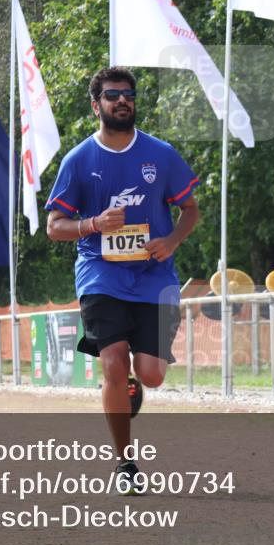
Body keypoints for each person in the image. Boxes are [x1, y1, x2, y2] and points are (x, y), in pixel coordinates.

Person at [45, 67, 200, 494]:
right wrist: (93, 224)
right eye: (112, 95)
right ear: (96, 105)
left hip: (154, 276)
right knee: (113, 363)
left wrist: (171, 241)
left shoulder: (161, 154)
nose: (122, 101)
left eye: (128, 94)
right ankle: (126, 464)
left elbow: (190, 209)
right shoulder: (79, 160)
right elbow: (55, 227)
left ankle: (132, 381)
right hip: (101, 273)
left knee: (151, 374)